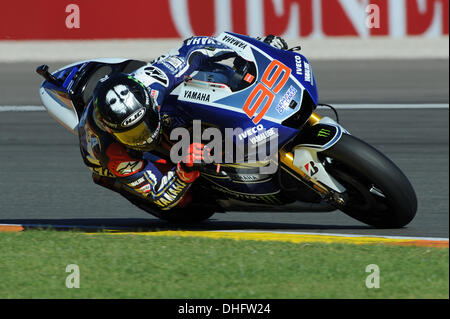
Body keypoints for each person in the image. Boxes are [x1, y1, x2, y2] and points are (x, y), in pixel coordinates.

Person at [77, 34, 288, 211]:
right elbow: (160, 196)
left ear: (149, 100)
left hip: (164, 109)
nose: (144, 135)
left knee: (212, 75)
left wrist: (257, 49)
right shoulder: (113, 153)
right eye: (132, 134)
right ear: (110, 130)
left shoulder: (156, 79)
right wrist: (184, 170)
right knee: (183, 203)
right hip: (124, 160)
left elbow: (195, 47)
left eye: (144, 124)